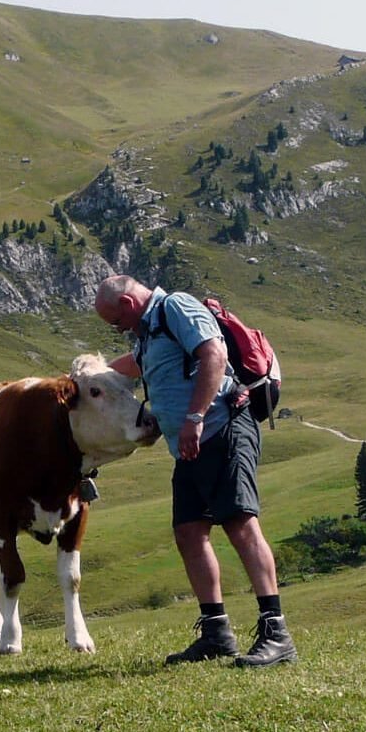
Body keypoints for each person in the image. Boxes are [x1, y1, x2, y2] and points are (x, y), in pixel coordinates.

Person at [93, 274, 296, 668]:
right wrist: (90, 376)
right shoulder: (151, 331)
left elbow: (213, 355)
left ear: (128, 306)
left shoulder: (177, 308)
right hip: (191, 444)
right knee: (189, 531)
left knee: (240, 524)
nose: (117, 329)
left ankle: (277, 632)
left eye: (115, 322)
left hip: (221, 428)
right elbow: (137, 365)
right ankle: (216, 633)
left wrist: (195, 416)